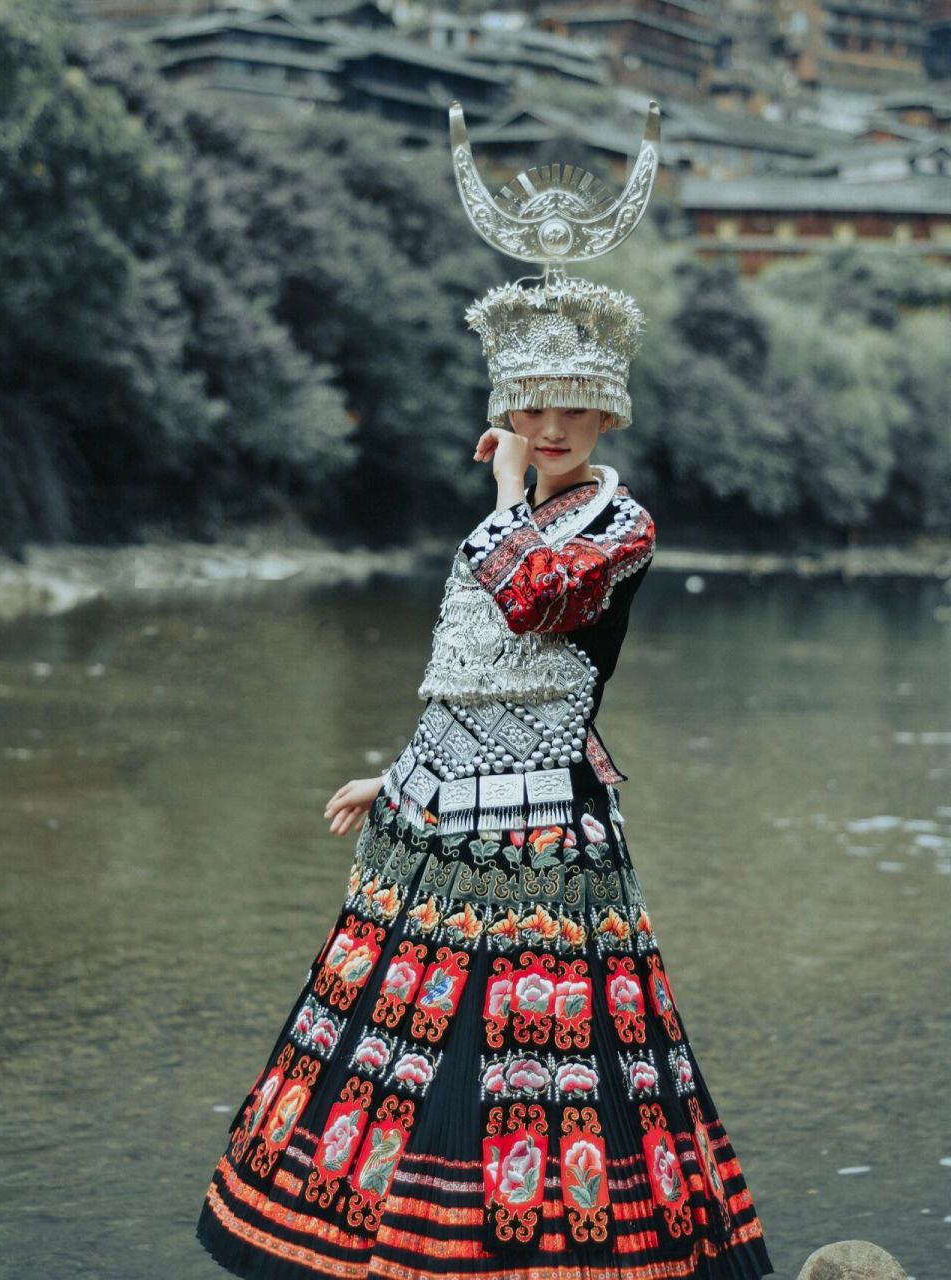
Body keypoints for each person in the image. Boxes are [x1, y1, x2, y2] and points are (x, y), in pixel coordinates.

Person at [197, 101, 773, 1280]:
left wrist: (505, 487)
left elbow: (531, 604)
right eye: (529, 404)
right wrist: (392, 775)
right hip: (438, 819)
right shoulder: (504, 524)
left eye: (571, 404)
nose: (549, 423)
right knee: (406, 1043)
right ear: (508, 403)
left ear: (609, 408)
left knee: (522, 1052)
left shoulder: (622, 525)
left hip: (550, 829)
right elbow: (463, 682)